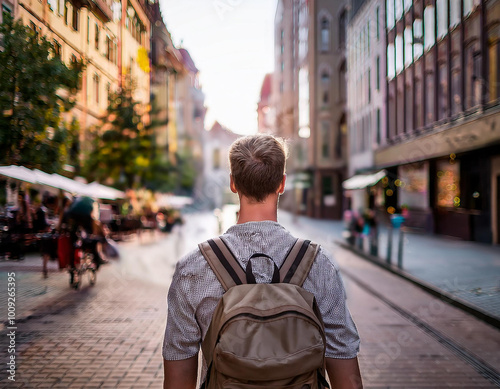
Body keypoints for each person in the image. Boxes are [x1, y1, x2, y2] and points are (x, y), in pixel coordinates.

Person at [162, 134, 362, 389]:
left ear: (233, 184)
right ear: (282, 184)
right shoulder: (319, 264)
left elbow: (178, 379)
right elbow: (348, 375)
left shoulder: (193, 268)